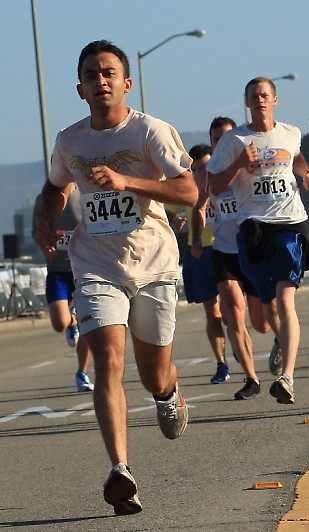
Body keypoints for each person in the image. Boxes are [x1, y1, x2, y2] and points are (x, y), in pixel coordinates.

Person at [35, 40, 197, 515]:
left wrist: (129, 182)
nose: (100, 80)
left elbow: (188, 190)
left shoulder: (150, 131)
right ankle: (120, 471)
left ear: (126, 83)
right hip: (96, 265)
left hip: (153, 265)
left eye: (109, 73)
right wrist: (47, 217)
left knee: (151, 374)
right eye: (91, 75)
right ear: (80, 88)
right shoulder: (70, 140)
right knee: (107, 357)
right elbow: (55, 185)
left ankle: (169, 392)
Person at [206, 77, 309, 405]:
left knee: (285, 303)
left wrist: (307, 175)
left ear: (275, 100)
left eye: (265, 95)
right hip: (252, 230)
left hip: (289, 224)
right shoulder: (232, 140)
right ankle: (280, 341)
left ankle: (288, 378)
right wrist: (241, 163)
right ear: (247, 102)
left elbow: (295, 159)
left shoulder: (290, 132)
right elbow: (214, 187)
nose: (260, 100)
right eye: (254, 96)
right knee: (265, 310)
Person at [197, 116, 279, 401]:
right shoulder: (207, 171)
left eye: (228, 137)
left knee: (262, 323)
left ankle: (279, 339)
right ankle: (251, 378)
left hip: (252, 246)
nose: (223, 143)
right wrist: (196, 238)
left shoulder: (254, 165)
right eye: (218, 139)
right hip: (224, 250)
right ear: (212, 142)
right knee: (232, 312)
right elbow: (200, 204)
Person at [33, 185, 94, 392]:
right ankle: (72, 321)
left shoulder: (86, 195)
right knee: (60, 323)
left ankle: (82, 373)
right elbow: (37, 232)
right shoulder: (44, 200)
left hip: (84, 268)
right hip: (58, 270)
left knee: (89, 322)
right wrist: (45, 247)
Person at [181, 144, 230, 384]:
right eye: (197, 169)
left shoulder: (226, 186)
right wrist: (174, 219)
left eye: (207, 167)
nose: (203, 173)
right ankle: (221, 363)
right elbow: (169, 208)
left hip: (225, 249)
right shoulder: (188, 189)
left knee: (231, 312)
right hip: (200, 253)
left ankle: (240, 346)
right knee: (212, 314)